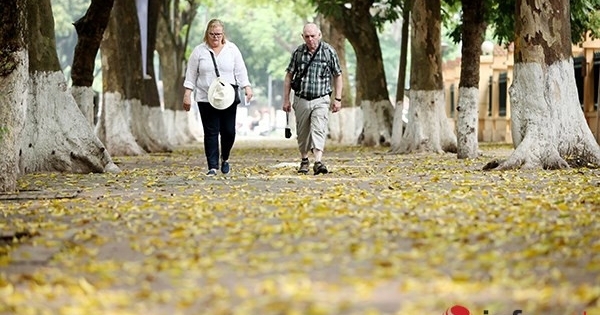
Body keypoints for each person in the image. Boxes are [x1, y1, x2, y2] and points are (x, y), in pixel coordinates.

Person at [183, 19, 253, 176]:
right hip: (206, 97)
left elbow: (240, 70)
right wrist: (187, 94)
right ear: (207, 34)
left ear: (223, 35)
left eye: (218, 34)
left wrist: (246, 87)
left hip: (227, 97)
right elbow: (191, 75)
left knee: (229, 131)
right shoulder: (199, 51)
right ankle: (212, 166)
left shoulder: (232, 49)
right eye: (212, 34)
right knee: (211, 132)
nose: (215, 37)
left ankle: (225, 157)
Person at [283, 23, 343, 175]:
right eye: (307, 36)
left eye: (313, 36)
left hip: (321, 98)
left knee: (319, 128)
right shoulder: (298, 53)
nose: (310, 39)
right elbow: (289, 75)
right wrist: (286, 100)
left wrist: (338, 99)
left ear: (319, 35)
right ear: (302, 37)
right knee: (303, 132)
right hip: (301, 98)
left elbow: (338, 75)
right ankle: (304, 159)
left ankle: (318, 161)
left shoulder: (328, 52)